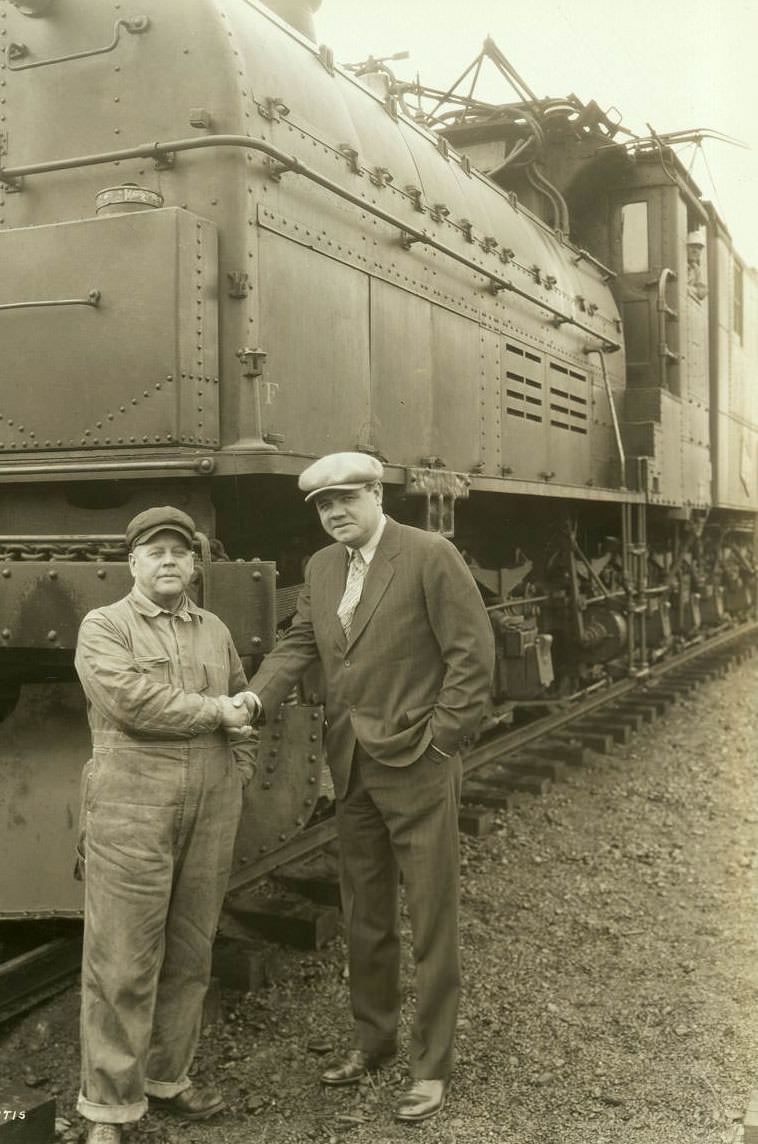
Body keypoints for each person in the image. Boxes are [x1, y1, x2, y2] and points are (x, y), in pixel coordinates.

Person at [235, 452, 495, 1123]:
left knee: (432, 920)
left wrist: (440, 743)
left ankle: (432, 1066)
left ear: (378, 494)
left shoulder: (430, 554)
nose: (336, 513)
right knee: (366, 917)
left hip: (418, 763)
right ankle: (373, 1043)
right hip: (351, 767)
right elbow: (299, 644)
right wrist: (254, 700)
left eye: (347, 499)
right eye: (324, 506)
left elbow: (474, 655)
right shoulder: (322, 568)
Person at [73, 506, 257, 1144]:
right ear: (133, 563)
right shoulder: (105, 627)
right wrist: (217, 715)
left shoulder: (214, 630)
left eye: (181, 552)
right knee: (120, 961)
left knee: (190, 952)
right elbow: (130, 701)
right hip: (131, 803)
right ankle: (109, 1108)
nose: (170, 561)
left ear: (196, 564)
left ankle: (167, 1077)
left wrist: (238, 770)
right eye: (156, 551)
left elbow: (242, 701)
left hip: (211, 802)